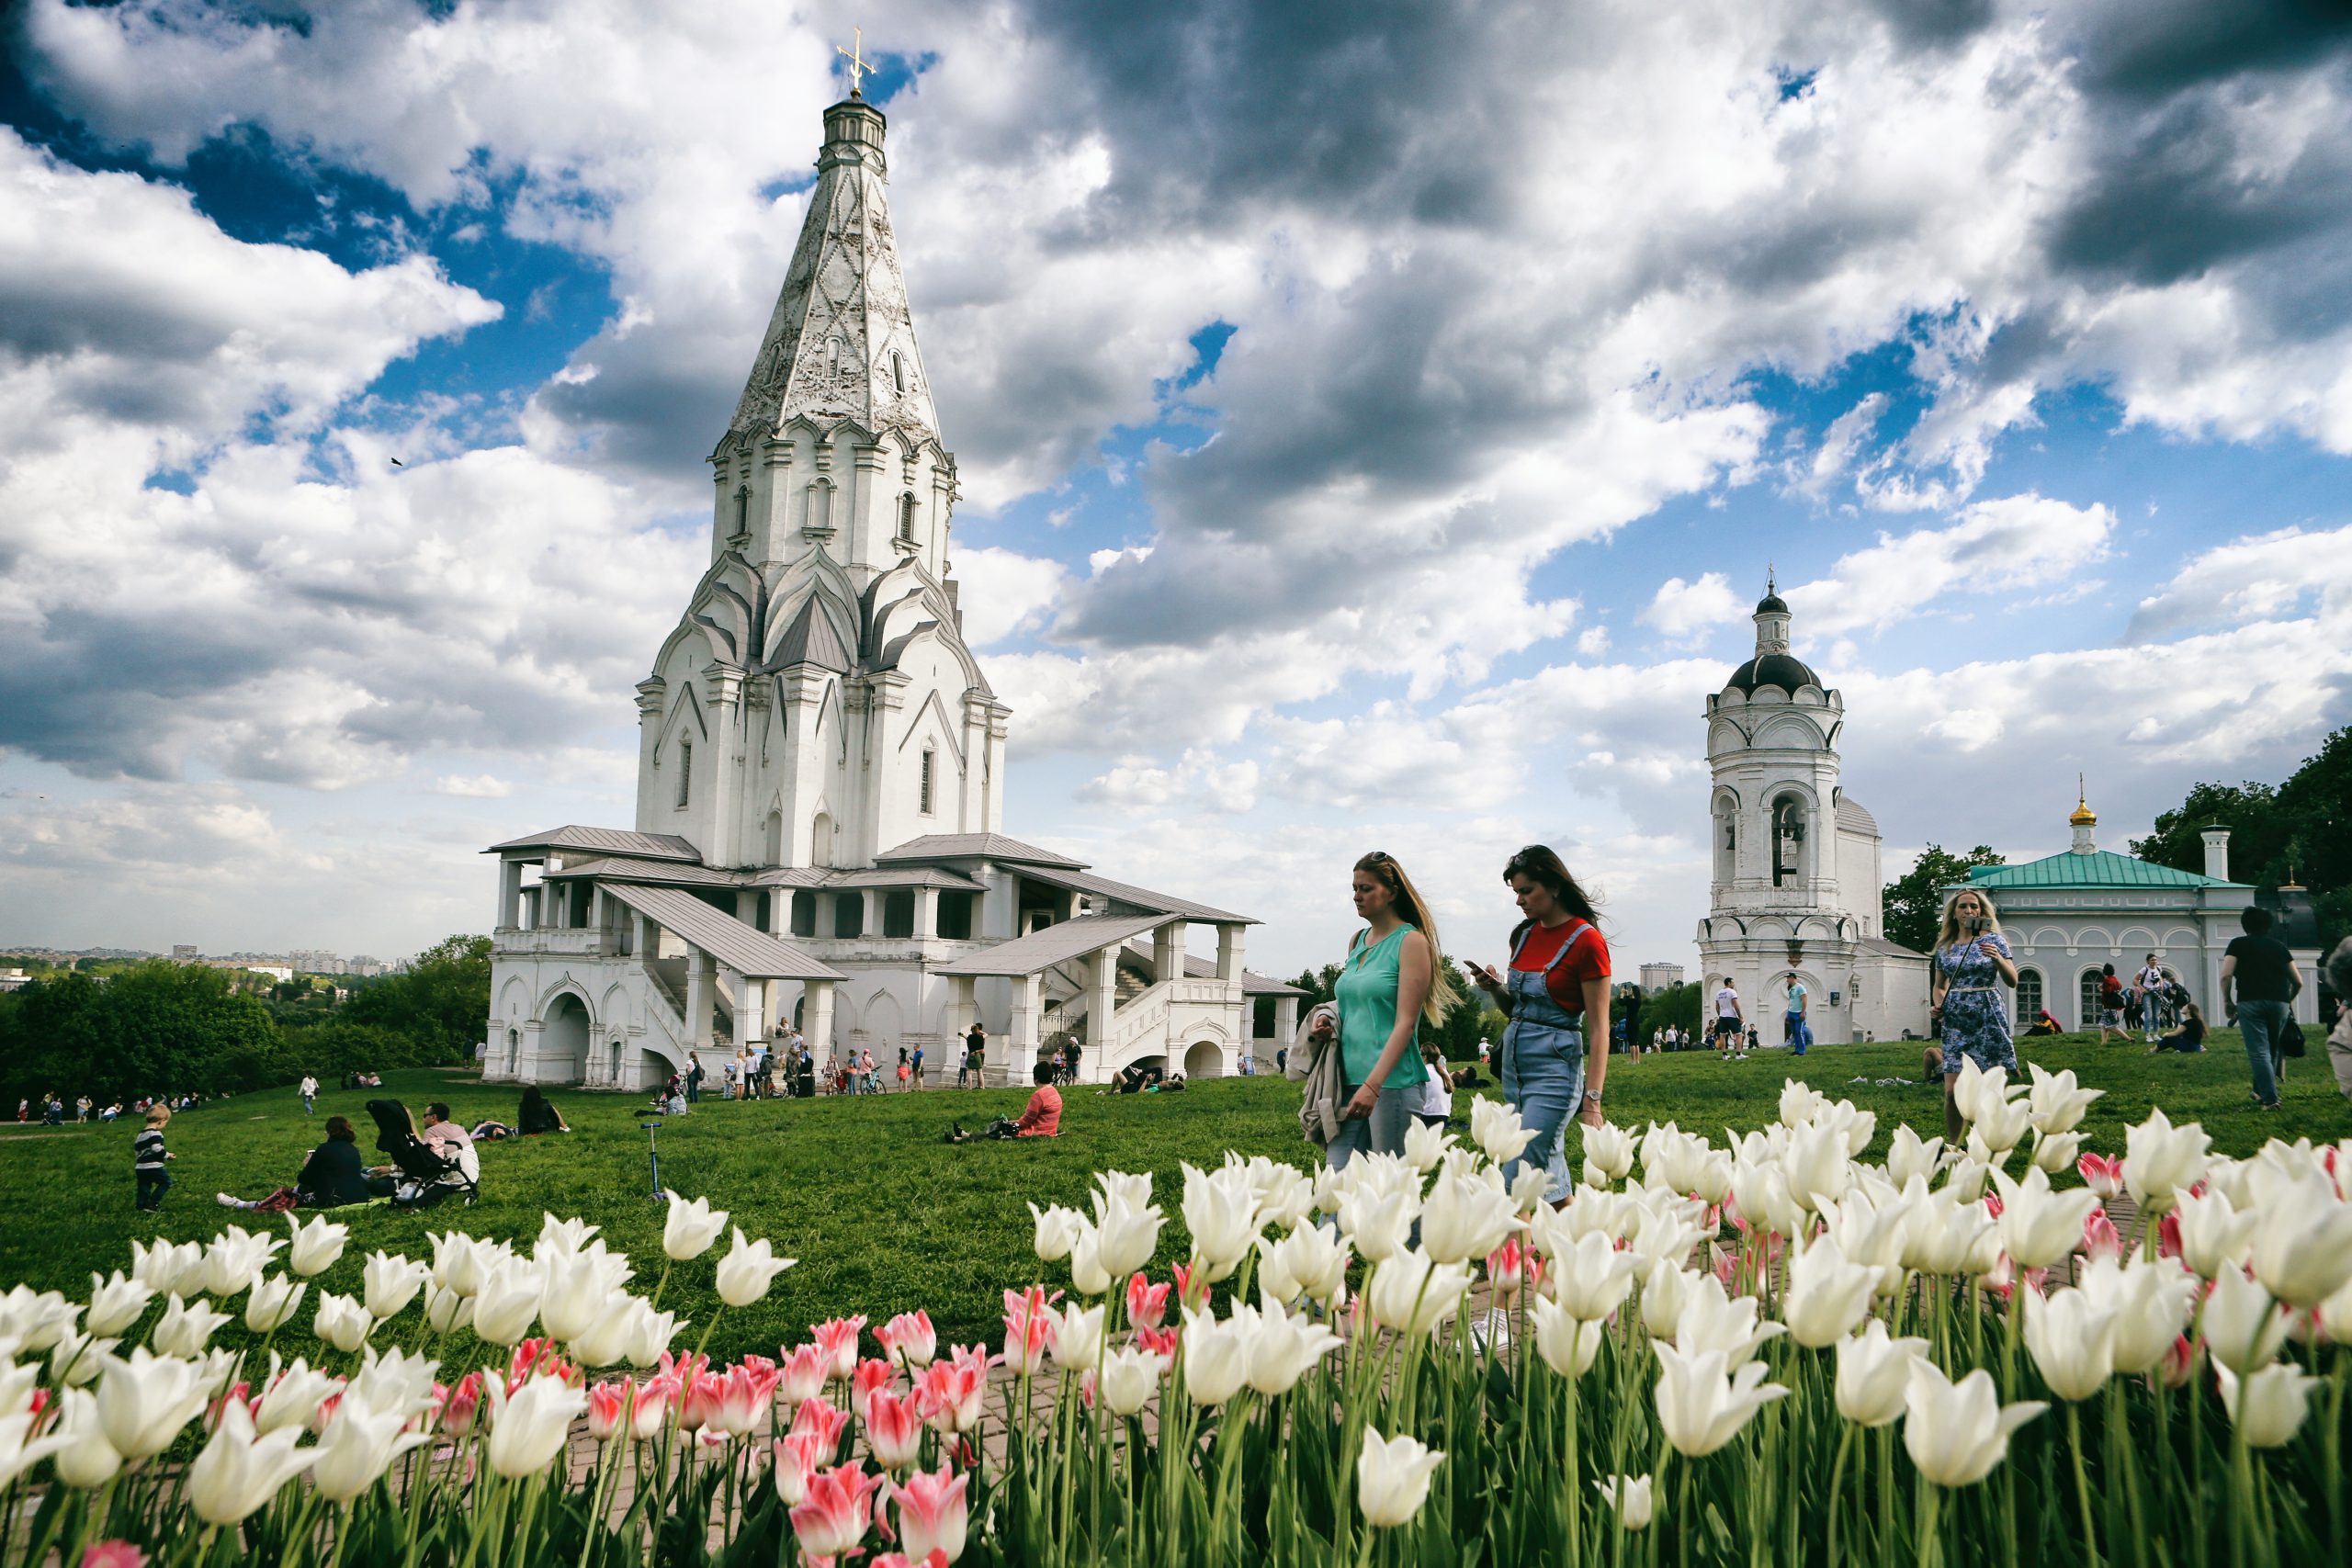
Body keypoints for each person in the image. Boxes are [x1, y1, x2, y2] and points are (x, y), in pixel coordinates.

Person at [1469, 844, 1610, 1205]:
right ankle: (1590, 1254)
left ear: (1555, 886)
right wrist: (1495, 988)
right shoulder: (1525, 935)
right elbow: (1516, 1009)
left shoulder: (1587, 942)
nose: (1519, 900)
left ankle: (1517, 1259)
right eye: (1516, 892)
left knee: (1519, 1174)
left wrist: (1592, 1101)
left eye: (1526, 890)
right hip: (1516, 1072)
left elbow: (1599, 1029)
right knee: (1550, 1182)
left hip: (1554, 1072)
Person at [1321, 851, 1454, 1173]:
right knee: (1336, 1181)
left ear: (1392, 893)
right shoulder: (1357, 941)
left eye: (1366, 888)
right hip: (1347, 1080)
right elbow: (1355, 1004)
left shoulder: (1411, 942)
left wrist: (1373, 1086)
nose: (1357, 896)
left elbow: (1405, 1023)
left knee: (1392, 1189)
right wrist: (1329, 1021)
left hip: (1392, 1084)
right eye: (1355, 888)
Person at [1932, 888, 2019, 1142]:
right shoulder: (1945, 948)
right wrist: (1938, 1005)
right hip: (1956, 1020)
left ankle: (1987, 1141)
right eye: (1963, 907)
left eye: (1974, 906)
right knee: (1952, 1091)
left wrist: (1998, 959)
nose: (1969, 911)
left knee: (1989, 1089)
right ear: (1954, 913)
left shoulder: (1994, 942)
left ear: (1981, 911)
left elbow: (2013, 980)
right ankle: (1955, 1146)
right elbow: (1939, 986)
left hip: (1987, 1017)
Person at [2222, 905, 2303, 1111]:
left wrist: (2227, 1001)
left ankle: (2270, 1099)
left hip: (2250, 1001)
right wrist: (2288, 1000)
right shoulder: (2279, 947)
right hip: (2279, 1002)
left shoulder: (2237, 944)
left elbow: (2226, 975)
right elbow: (2298, 981)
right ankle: (2259, 1091)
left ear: (2244, 925)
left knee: (2259, 1051)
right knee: (2271, 1049)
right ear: (2268, 925)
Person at [217, 1115, 377, 1212]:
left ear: (329, 1132)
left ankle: (243, 1204)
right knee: (299, 1190)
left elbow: (304, 1179)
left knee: (286, 1197)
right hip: (359, 1195)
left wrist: (309, 1165)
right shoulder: (353, 1149)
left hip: (334, 1198)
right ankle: (245, 1203)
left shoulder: (324, 1148)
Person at [947, 1059, 1064, 1142]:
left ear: (1036, 1079)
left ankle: (959, 1139)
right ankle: (965, 1135)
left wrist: (1007, 1124)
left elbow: (1025, 1123)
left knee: (998, 1133)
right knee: (1000, 1129)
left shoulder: (1039, 1096)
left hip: (1035, 1133)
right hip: (1049, 1132)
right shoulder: (1054, 1092)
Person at [133, 1106, 174, 1212]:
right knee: (166, 1182)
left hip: (140, 1167)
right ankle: (152, 1203)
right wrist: (167, 1155)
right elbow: (156, 1148)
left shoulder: (141, 1134)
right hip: (153, 1166)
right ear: (161, 1121)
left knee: (144, 1186)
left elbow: (137, 1150)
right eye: (166, 1122)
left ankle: (141, 1205)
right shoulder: (156, 1133)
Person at [1711, 978, 1746, 1059]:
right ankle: (1738, 1054)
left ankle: (1724, 1055)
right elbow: (1736, 1005)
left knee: (1722, 1035)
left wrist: (1720, 1015)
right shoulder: (1732, 992)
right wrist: (1740, 1016)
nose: (1734, 984)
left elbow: (1717, 1006)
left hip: (1722, 1016)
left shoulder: (1718, 993)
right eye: (1733, 982)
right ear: (1729, 983)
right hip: (1731, 1016)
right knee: (1739, 1034)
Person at [2094, 964, 2126, 1044]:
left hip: (2109, 1006)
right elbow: (2120, 986)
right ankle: (2103, 1043)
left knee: (2111, 1026)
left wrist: (2100, 989)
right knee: (2103, 1025)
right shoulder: (2114, 979)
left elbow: (2107, 992)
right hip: (2112, 1006)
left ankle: (2129, 1039)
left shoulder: (2107, 980)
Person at [1783, 976, 1812, 1056]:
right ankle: (1797, 1050)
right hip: (1791, 1012)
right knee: (1794, 1032)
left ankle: (1801, 1051)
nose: (1787, 980)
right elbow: (1791, 1001)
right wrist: (1788, 1013)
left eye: (1788, 978)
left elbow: (1804, 999)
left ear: (1792, 978)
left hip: (1798, 1013)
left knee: (1799, 1032)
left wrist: (1803, 1012)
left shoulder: (1800, 987)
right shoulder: (1791, 988)